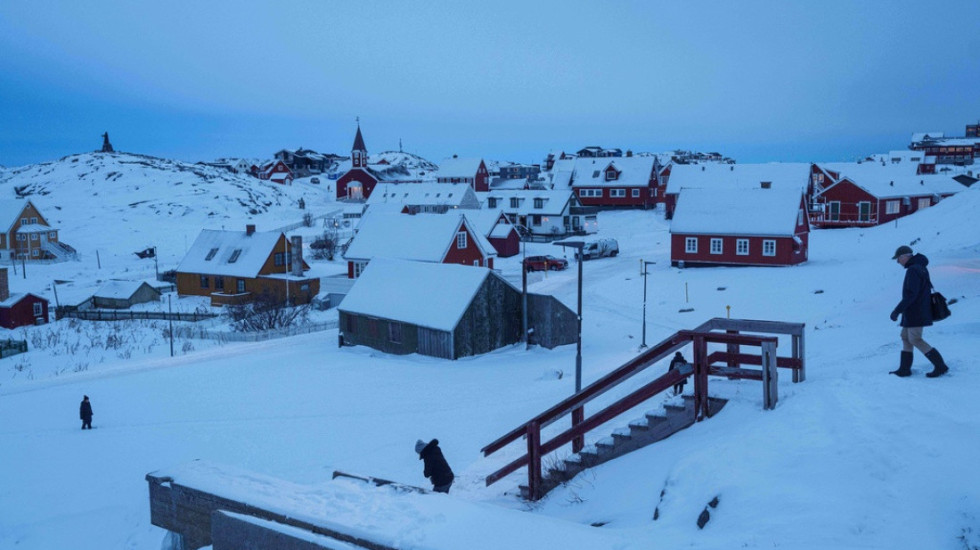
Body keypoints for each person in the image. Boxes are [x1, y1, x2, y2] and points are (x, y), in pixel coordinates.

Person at [889, 245, 948, 378]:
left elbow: (911, 294)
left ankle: (940, 366)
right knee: (905, 337)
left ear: (904, 257)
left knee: (915, 339)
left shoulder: (913, 270)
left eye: (898, 259)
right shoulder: (918, 267)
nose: (898, 262)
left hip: (916, 311)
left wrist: (896, 310)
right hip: (914, 310)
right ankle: (904, 369)